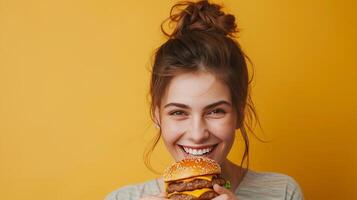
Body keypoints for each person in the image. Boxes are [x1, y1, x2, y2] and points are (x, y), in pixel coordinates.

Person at [105, 0, 304, 199]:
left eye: (216, 111)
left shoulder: (283, 192)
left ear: (240, 113)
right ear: (157, 115)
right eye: (178, 112)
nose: (198, 134)